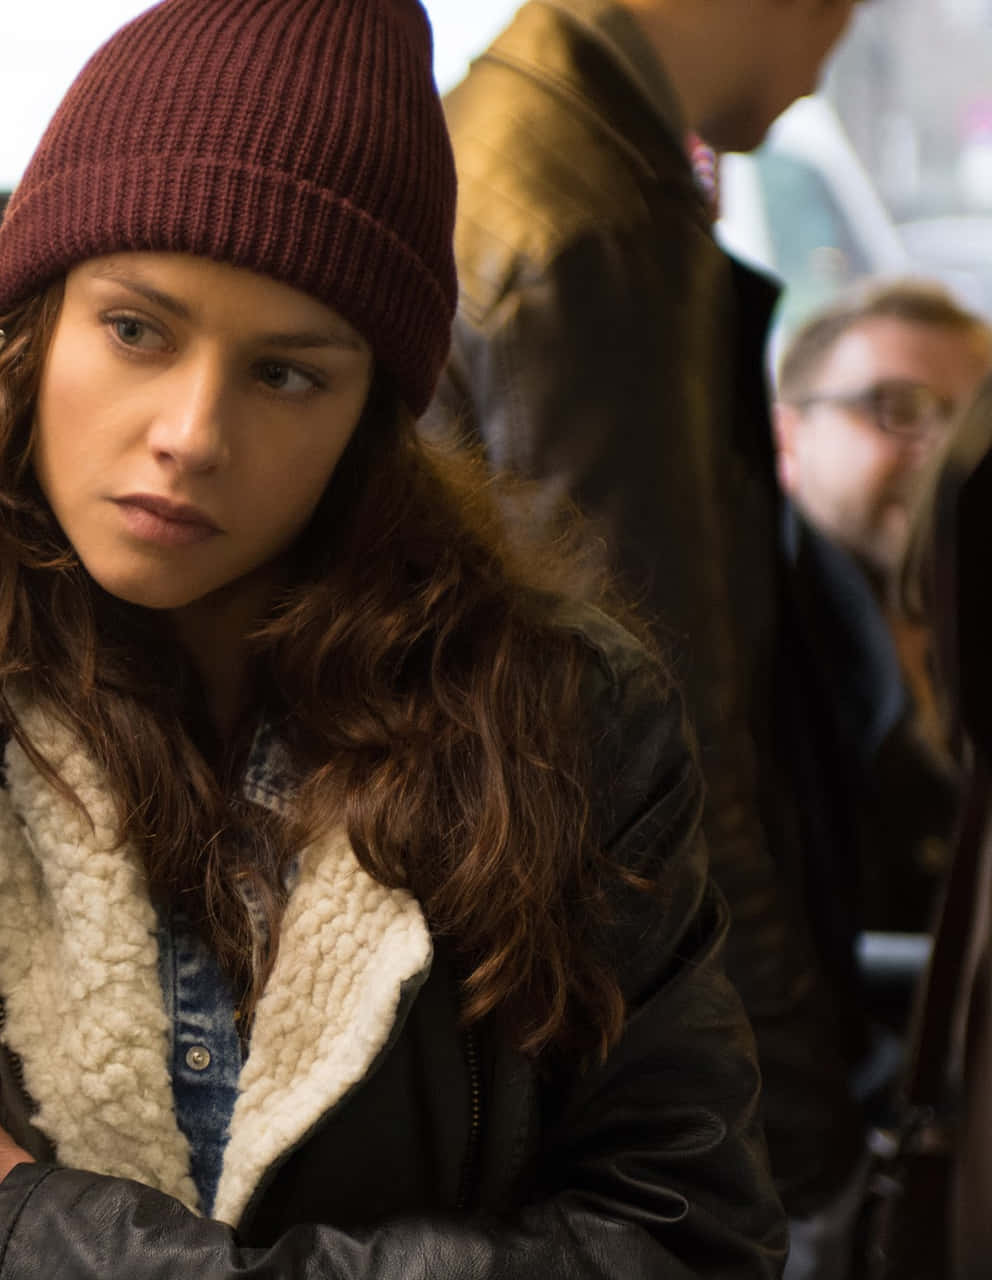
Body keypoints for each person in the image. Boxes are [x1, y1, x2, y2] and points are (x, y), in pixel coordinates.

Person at [0, 1, 785, 1275]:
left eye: (286, 373)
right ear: (32, 327)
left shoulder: (560, 714)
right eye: (135, 329)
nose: (191, 431)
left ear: (368, 420)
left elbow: (685, 1242)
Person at [429, 0, 867, 1230]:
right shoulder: (583, 215)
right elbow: (662, 722)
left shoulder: (522, 150)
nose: (838, 43)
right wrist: (800, 1125)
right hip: (594, 1022)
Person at [773, 281, 990, 933]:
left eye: (977, 418)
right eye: (897, 408)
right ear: (789, 435)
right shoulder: (749, 648)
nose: (947, 453)